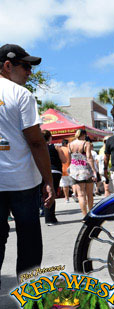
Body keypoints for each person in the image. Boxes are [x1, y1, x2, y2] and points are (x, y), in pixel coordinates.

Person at [0, 43, 54, 278]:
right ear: (7, 65)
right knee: (29, 242)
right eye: (25, 66)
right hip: (21, 182)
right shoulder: (21, 94)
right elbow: (36, 142)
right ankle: (29, 294)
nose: (30, 73)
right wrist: (48, 180)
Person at [68, 129, 97, 217]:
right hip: (86, 170)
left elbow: (70, 159)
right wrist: (94, 170)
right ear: (84, 135)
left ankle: (84, 215)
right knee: (89, 194)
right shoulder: (86, 143)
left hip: (75, 171)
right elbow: (89, 157)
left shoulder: (70, 144)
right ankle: (91, 215)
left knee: (80, 195)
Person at [44, 130, 66, 225]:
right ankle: (50, 218)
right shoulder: (56, 147)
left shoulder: (39, 147)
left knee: (45, 194)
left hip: (42, 172)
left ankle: (48, 217)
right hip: (55, 171)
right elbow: (64, 160)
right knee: (52, 193)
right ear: (50, 138)